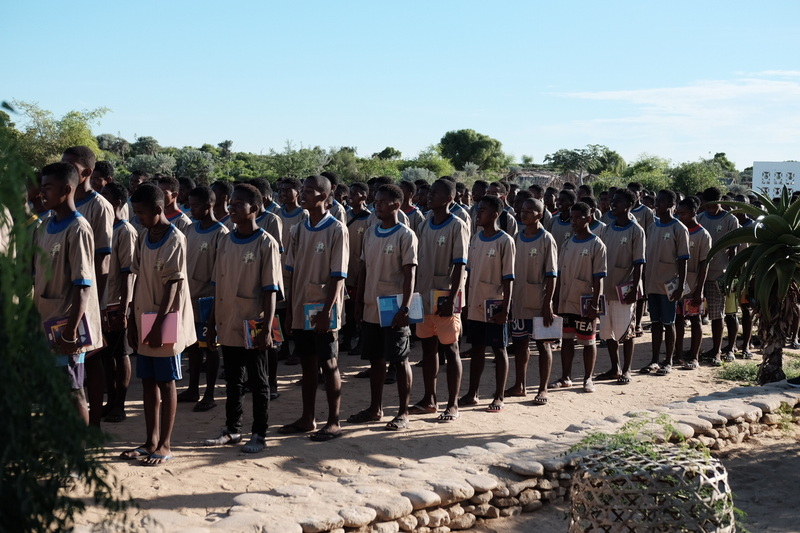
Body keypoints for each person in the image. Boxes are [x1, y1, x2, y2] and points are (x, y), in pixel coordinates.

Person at [204, 184, 282, 453]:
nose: (231, 208)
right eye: (231, 203)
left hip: (254, 323)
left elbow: (271, 290)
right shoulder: (225, 240)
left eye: (238, 204)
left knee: (258, 381)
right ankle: (232, 429)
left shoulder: (266, 243)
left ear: (255, 209)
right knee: (233, 378)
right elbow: (217, 285)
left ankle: (259, 434)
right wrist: (212, 323)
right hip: (228, 320)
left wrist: (267, 330)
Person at [122, 183, 197, 465]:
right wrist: (130, 315)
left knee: (167, 382)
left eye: (141, 213)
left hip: (166, 321)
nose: (137, 217)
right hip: (144, 317)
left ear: (157, 209)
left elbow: (173, 287)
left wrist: (158, 326)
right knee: (148, 381)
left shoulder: (175, 238)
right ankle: (149, 440)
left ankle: (165, 444)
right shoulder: (143, 236)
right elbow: (138, 276)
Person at [33, 162, 104, 424]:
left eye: (48, 188)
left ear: (66, 189)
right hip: (45, 322)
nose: (42, 194)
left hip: (66, 327)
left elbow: (83, 284)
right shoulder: (45, 225)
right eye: (41, 188)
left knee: (73, 391)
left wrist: (71, 331)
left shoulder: (78, 227)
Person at [280, 175, 349, 441]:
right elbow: (292, 271)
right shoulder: (298, 229)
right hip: (300, 307)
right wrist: (290, 312)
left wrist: (326, 312)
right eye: (303, 190)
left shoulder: (336, 229)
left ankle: (334, 421)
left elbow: (338, 275)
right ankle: (307, 418)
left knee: (329, 363)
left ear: (322, 195)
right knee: (307, 364)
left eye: (309, 190)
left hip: (323, 309)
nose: (303, 194)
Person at [347, 184, 418, 430]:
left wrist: (405, 308)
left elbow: (410, 274)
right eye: (376, 201)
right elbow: (364, 268)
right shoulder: (370, 232)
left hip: (394, 307)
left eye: (382, 202)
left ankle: (403, 412)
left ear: (396, 205)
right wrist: (358, 302)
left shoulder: (405, 235)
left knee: (400, 360)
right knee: (375, 360)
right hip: (370, 306)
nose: (376, 205)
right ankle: (375, 408)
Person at [408, 179, 469, 421]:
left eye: (436, 193)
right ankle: (429, 399)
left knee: (451, 349)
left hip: (445, 298)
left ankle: (452, 404)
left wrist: (451, 298)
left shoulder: (457, 225)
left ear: (449, 199)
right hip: (423, 295)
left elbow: (460, 265)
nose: (429, 196)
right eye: (430, 192)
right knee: (428, 347)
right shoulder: (425, 224)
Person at [62, 146, 113, 427]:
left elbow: (103, 259)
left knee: (92, 359)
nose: (67, 169)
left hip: (88, 295)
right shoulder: (61, 201)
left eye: (72, 165)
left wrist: (98, 304)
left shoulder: (99, 206)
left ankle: (94, 421)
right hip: (64, 296)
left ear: (88, 173)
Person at [458, 195, 515, 412]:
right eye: (477, 210)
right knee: (477, 349)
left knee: (499, 350)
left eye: (482, 210)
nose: (477, 214)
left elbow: (509, 278)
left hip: (495, 305)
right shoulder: (476, 238)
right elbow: (469, 272)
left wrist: (506, 308)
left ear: (494, 214)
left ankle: (499, 396)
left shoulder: (505, 241)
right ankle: (472, 393)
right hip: (475, 303)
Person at [178, 186, 229, 411]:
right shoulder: (190, 229)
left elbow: (222, 271)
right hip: (190, 298)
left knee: (209, 346)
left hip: (209, 300)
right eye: (190, 205)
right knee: (193, 347)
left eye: (196, 205)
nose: (191, 210)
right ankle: (192, 389)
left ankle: (209, 394)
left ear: (209, 206)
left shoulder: (221, 233)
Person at [550, 202, 606, 393]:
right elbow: (559, 273)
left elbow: (599, 277)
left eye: (577, 218)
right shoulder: (567, 243)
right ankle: (566, 377)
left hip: (585, 301)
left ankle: (588, 378)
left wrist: (595, 303)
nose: (573, 222)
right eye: (571, 218)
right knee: (566, 339)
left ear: (588, 219)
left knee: (588, 340)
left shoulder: (597, 244)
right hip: (566, 299)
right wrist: (555, 299)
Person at [506, 198, 557, 404]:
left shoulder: (547, 239)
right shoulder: (517, 237)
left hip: (539, 301)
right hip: (518, 299)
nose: (523, 213)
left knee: (543, 345)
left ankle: (543, 388)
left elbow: (552, 274)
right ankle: (520, 384)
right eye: (522, 210)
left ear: (539, 215)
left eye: (529, 210)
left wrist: (548, 304)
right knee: (520, 343)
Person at [97, 181, 138, 422]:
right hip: (101, 302)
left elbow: (128, 273)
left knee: (120, 353)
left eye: (106, 197)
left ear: (117, 204)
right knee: (105, 356)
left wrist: (124, 308)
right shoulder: (101, 228)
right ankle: (110, 399)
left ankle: (119, 403)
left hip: (116, 303)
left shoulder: (125, 231)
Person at [595, 190, 645, 385]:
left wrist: (634, 287)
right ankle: (614, 367)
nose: (613, 204)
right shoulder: (607, 229)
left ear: (628, 205)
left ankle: (627, 370)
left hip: (625, 288)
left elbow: (639, 262)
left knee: (626, 331)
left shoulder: (636, 230)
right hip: (606, 287)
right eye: (612, 201)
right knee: (607, 331)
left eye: (618, 201)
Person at [639, 190, 690, 374]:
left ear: (670, 205)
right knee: (655, 323)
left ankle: (668, 361)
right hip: (652, 283)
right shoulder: (652, 227)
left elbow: (683, 260)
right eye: (656, 201)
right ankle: (654, 360)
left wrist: (680, 286)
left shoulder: (679, 229)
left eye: (661, 202)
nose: (657, 204)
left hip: (669, 284)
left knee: (669, 323)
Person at [697, 187, 740, 364]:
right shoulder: (700, 218)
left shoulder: (730, 220)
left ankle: (718, 351)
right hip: (700, 275)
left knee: (718, 315)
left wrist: (730, 274)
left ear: (720, 202)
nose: (709, 209)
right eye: (706, 205)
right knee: (696, 315)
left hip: (719, 274)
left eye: (712, 205)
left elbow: (734, 249)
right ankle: (697, 349)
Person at [675, 197, 711, 369]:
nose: (680, 216)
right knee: (677, 319)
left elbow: (704, 264)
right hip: (675, 285)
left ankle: (694, 356)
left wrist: (699, 290)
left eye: (683, 213)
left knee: (695, 319)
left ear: (693, 213)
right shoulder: (677, 230)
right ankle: (678, 354)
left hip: (693, 284)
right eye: (678, 213)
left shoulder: (703, 235)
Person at [342, 182, 371, 353]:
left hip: (361, 269)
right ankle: (347, 339)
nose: (350, 196)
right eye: (349, 193)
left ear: (364, 197)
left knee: (361, 305)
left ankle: (361, 341)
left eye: (355, 193)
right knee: (348, 306)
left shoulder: (370, 218)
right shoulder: (345, 216)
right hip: (347, 269)